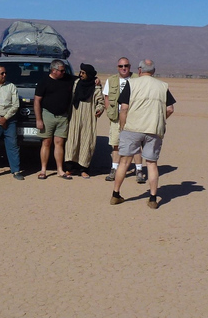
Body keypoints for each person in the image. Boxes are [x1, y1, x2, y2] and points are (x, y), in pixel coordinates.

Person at [110, 59, 176, 209]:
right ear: (153, 71)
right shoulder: (162, 86)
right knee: (152, 163)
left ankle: (115, 195)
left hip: (132, 128)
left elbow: (124, 108)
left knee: (124, 162)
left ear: (139, 70)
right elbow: (170, 108)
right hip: (153, 129)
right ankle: (153, 198)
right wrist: (160, 119)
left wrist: (122, 126)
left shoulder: (132, 84)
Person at [102, 57, 146, 183]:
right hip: (116, 117)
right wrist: (109, 112)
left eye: (126, 65)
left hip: (133, 117)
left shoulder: (137, 79)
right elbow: (106, 97)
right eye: (121, 66)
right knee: (116, 144)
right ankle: (114, 169)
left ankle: (139, 170)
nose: (123, 68)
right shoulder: (112, 80)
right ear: (117, 67)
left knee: (136, 145)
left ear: (130, 66)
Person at [34, 59, 75, 179]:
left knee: (59, 143)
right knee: (46, 142)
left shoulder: (68, 79)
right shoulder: (44, 82)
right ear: (53, 70)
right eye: (61, 71)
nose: (64, 72)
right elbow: (37, 101)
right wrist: (38, 119)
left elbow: (82, 80)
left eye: (64, 70)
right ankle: (43, 170)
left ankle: (60, 170)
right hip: (47, 115)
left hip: (63, 116)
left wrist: (95, 80)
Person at [64, 63, 104, 178]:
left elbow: (100, 102)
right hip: (75, 117)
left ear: (89, 75)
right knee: (72, 142)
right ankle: (70, 168)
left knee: (86, 142)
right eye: (80, 72)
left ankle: (83, 169)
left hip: (88, 118)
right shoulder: (77, 83)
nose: (80, 74)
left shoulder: (95, 87)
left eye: (83, 73)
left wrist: (99, 109)